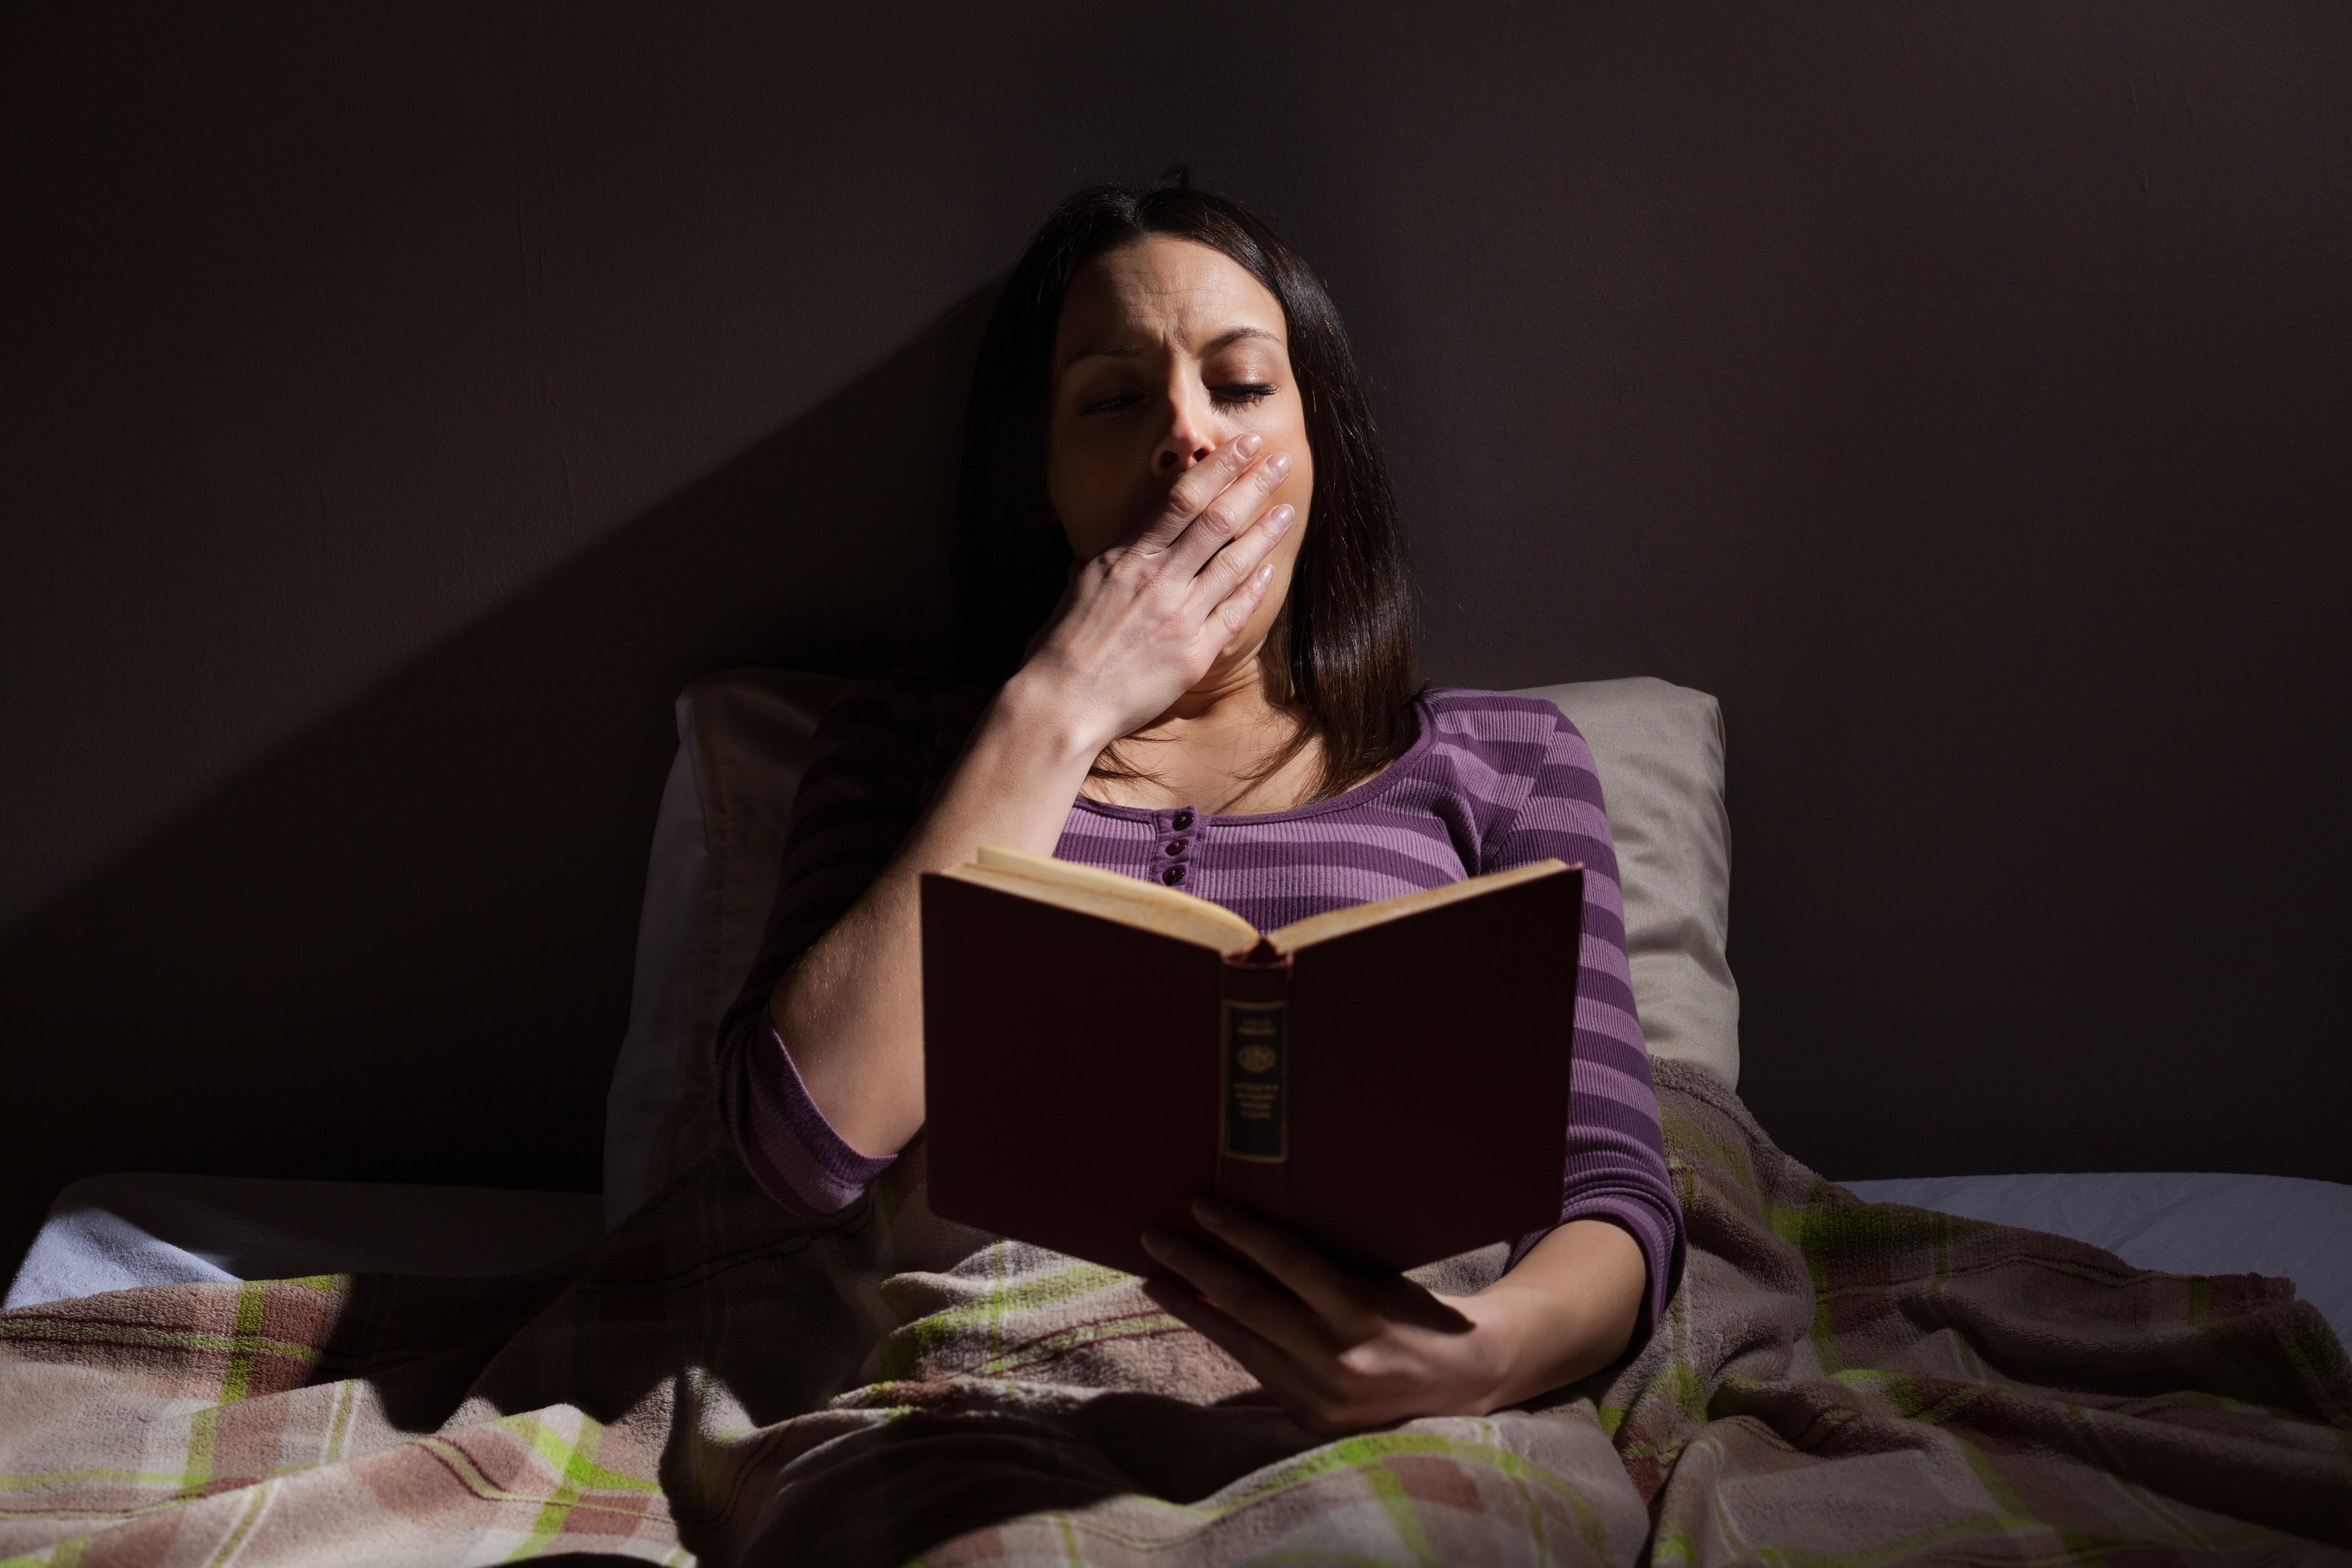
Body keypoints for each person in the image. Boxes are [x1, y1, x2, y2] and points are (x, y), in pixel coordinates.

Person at [716, 177, 1683, 1435]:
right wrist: (1058, 707)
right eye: (1114, 399)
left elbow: (1611, 1183)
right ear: (1045, 477)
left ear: (1312, 444)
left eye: (1238, 386)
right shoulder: (907, 748)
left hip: (1400, 1414)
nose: (1187, 435)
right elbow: (803, 1144)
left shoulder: (1505, 759)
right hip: (984, 1405)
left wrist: (1469, 1360)